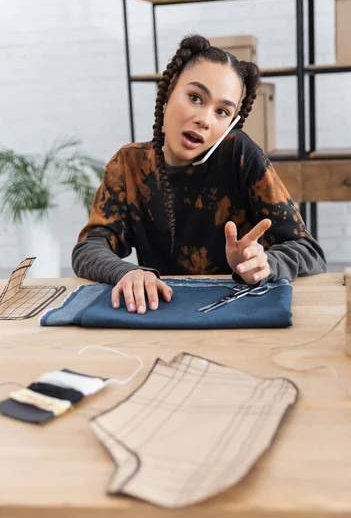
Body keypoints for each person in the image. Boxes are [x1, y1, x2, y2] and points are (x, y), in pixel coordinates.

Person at [72, 34, 326, 314]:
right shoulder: (129, 164)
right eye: (195, 98)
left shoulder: (240, 154)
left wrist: (265, 262)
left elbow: (309, 251)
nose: (204, 119)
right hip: (159, 311)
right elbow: (89, 248)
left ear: (231, 123)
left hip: (238, 312)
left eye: (221, 112)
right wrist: (125, 272)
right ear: (168, 91)